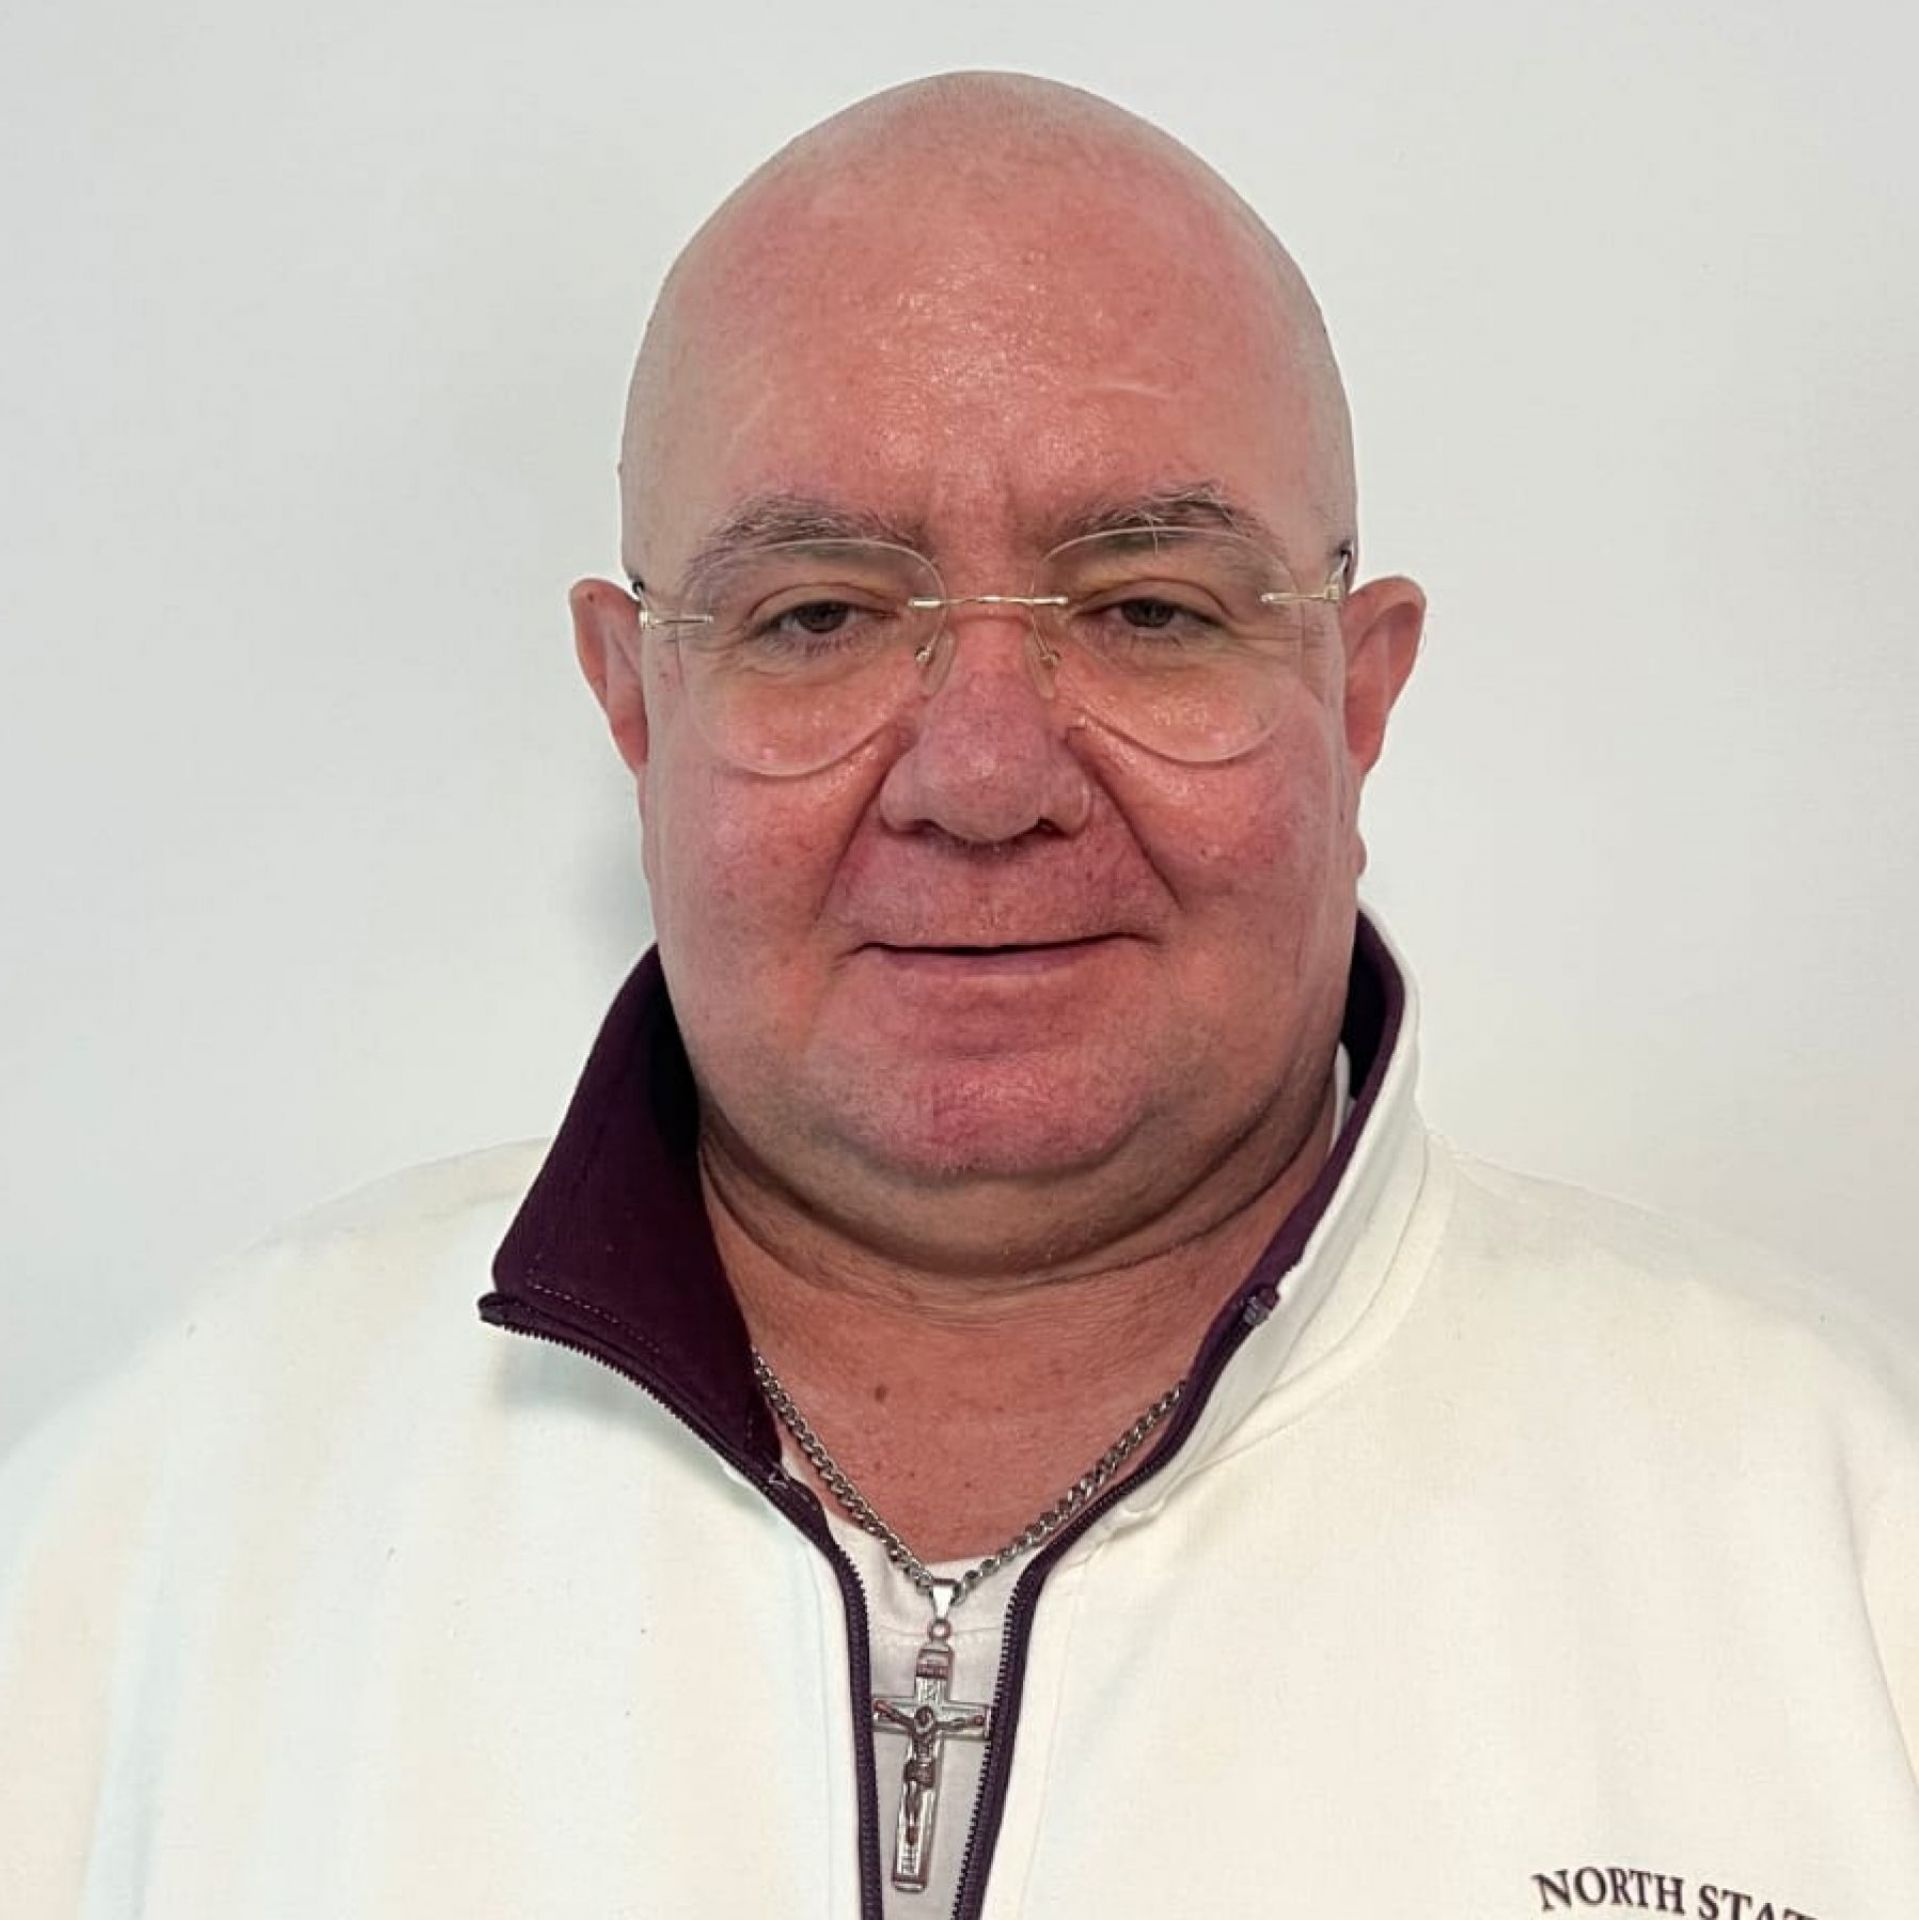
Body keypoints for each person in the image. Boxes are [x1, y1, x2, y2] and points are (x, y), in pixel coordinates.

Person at [3, 70, 1916, 1920]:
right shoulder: (152, 1545)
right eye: (820, 615)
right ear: (636, 700)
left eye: (1149, 607)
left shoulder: (1845, 1543)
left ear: (1356, 693)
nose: (985, 778)